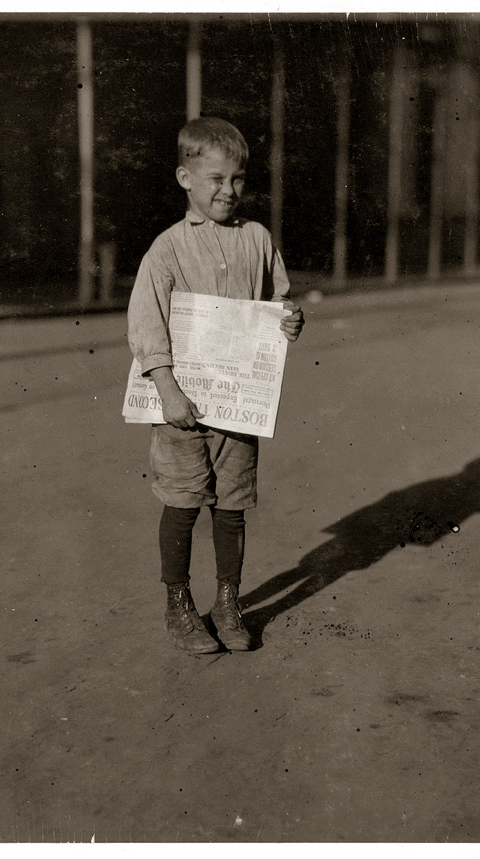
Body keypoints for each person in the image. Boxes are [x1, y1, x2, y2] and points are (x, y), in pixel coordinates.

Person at [127, 117, 304, 653]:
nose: (228, 191)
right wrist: (168, 390)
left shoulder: (257, 239)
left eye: (238, 180)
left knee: (231, 507)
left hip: (237, 411)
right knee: (182, 504)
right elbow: (146, 326)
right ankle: (178, 605)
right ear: (185, 177)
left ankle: (228, 602)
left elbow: (277, 303)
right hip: (183, 408)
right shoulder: (166, 250)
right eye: (215, 179)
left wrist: (289, 319)